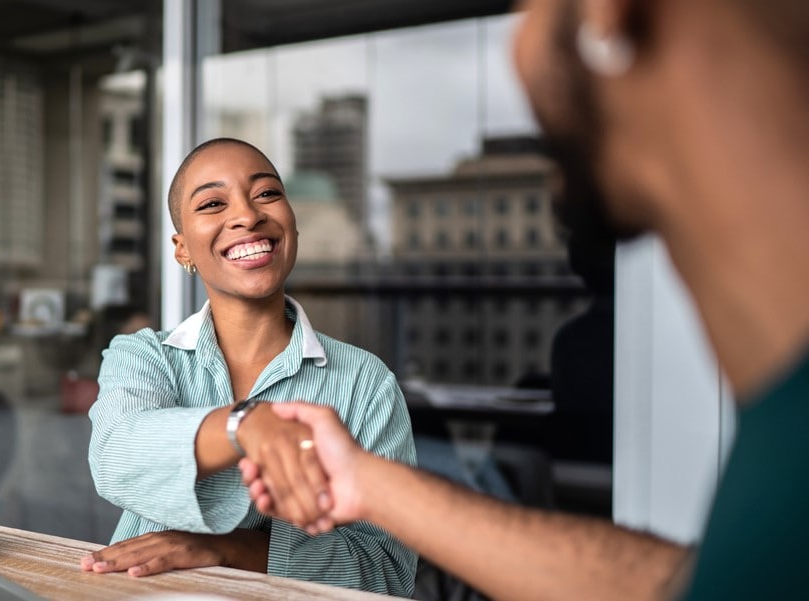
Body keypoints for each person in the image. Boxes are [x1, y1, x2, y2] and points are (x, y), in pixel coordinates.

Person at [242, 0, 809, 599]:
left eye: (528, 7)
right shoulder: (781, 464)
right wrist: (363, 483)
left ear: (605, 13)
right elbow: (677, 586)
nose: (517, 51)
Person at [83, 138, 419, 596]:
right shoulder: (145, 356)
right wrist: (246, 425)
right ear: (182, 249)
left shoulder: (366, 382)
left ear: (292, 226)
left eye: (266, 194)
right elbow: (115, 456)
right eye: (213, 203)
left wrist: (232, 549)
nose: (247, 215)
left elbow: (387, 574)